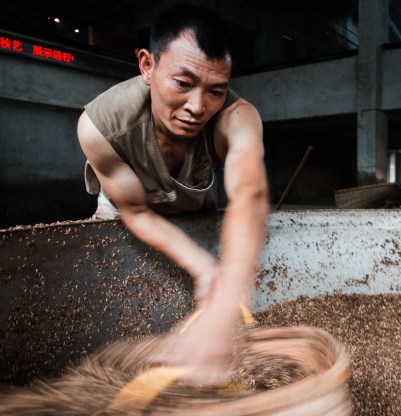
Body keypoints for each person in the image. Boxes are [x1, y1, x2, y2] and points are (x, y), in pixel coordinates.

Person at [77, 4, 269, 385]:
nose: (197, 107)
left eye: (215, 90)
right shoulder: (101, 126)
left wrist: (223, 295)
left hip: (193, 203)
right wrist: (201, 266)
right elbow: (135, 212)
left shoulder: (237, 116)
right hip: (128, 210)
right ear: (147, 66)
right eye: (182, 84)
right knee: (112, 299)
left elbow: (249, 194)